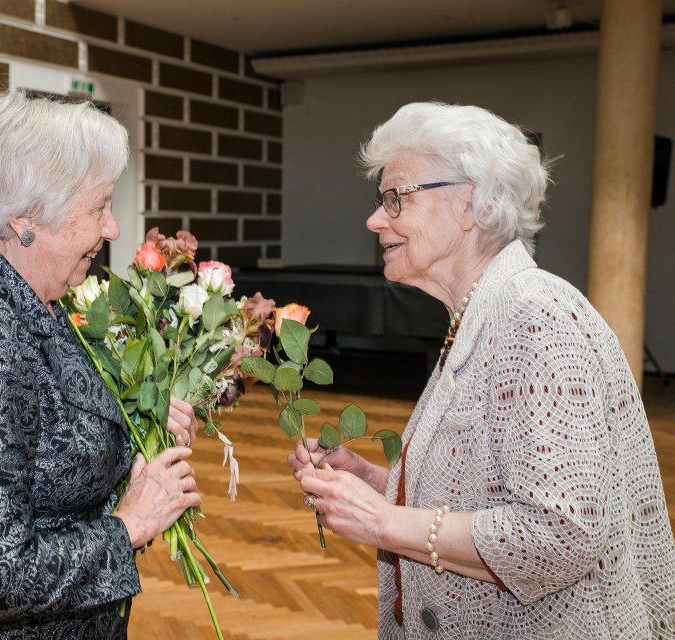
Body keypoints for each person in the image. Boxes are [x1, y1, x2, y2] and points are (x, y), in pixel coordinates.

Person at [289, 102, 675, 638]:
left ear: (469, 204)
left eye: (395, 198)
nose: (375, 219)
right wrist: (380, 486)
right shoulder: (478, 314)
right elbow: (488, 491)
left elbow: (561, 535)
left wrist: (385, 522)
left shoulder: (535, 317)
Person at [0, 92, 202, 639]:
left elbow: (44, 430)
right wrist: (132, 526)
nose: (113, 230)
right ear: (27, 219)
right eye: (99, 207)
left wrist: (131, 422)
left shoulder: (31, 294)